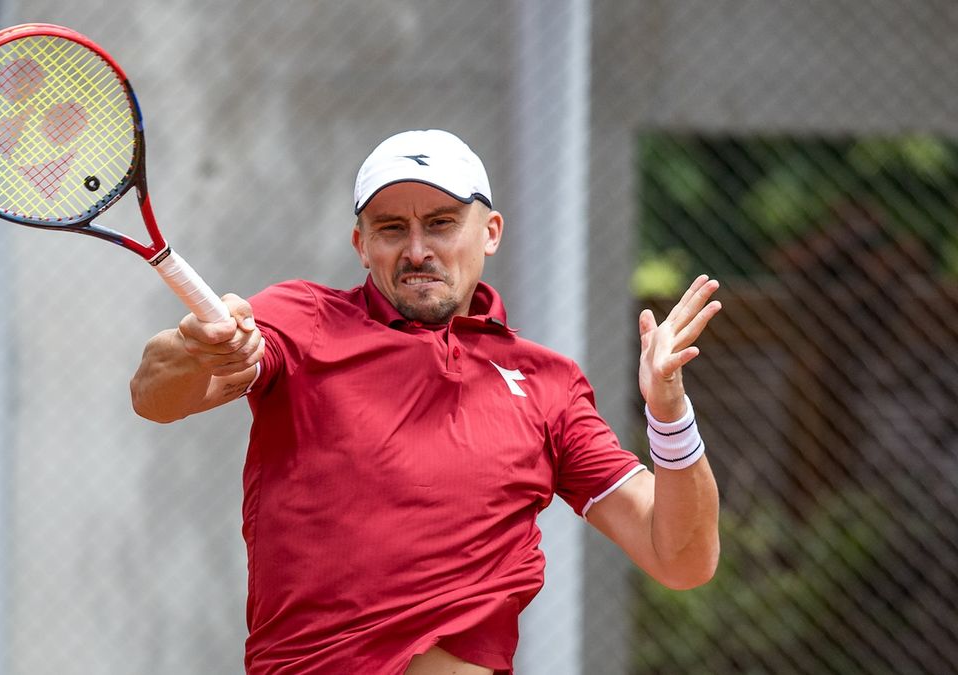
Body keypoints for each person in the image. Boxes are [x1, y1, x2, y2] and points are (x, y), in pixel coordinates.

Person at [130, 129, 721, 675]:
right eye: (391, 229)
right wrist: (199, 348)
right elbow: (156, 396)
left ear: (489, 231)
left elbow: (681, 558)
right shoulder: (303, 321)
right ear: (362, 245)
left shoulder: (547, 383)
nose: (417, 250)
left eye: (440, 223)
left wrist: (669, 413)